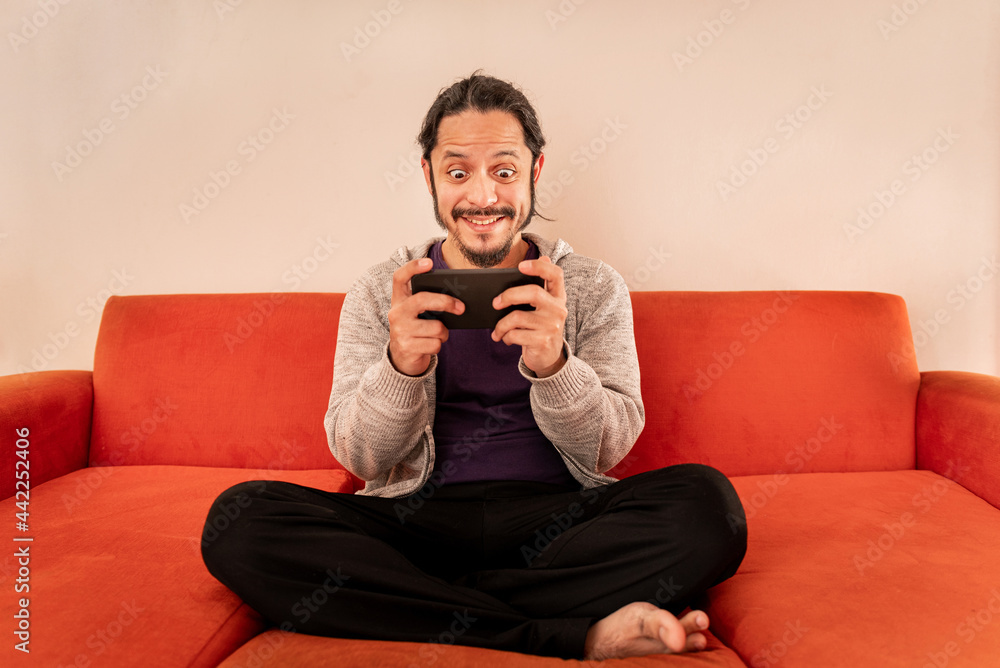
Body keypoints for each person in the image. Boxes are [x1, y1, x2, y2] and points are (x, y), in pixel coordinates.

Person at [201, 72, 747, 661]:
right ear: (429, 175)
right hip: (415, 526)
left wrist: (555, 365)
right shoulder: (381, 290)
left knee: (708, 507)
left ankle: (426, 606)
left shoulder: (591, 287)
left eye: (504, 171)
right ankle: (569, 630)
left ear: (535, 172)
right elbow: (360, 459)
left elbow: (606, 448)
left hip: (558, 528)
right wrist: (399, 367)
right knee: (239, 520)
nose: (482, 197)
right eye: (458, 172)